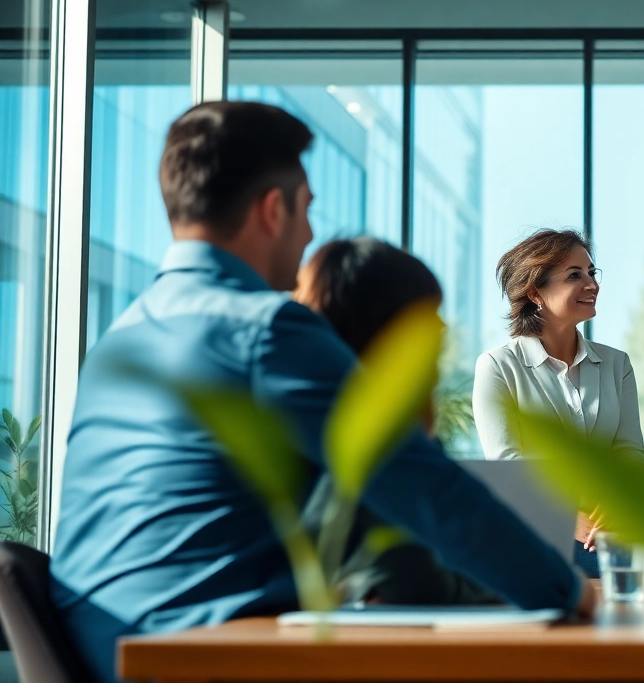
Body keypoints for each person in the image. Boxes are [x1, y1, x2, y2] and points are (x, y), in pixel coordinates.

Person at [49, 102, 592, 683]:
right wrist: (566, 589)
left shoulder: (123, 335)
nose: (310, 234)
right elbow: (422, 487)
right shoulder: (263, 329)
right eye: (307, 209)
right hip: (192, 656)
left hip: (102, 646)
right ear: (273, 209)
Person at [293, 236, 492, 606]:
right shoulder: (375, 439)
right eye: (431, 321)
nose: (442, 336)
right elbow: (416, 584)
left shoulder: (308, 415)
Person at [472, 228, 644, 575]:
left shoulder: (617, 364)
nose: (591, 284)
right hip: (537, 525)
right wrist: (568, 517)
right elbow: (509, 464)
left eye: (591, 273)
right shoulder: (497, 367)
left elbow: (630, 452)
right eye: (574, 275)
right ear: (536, 291)